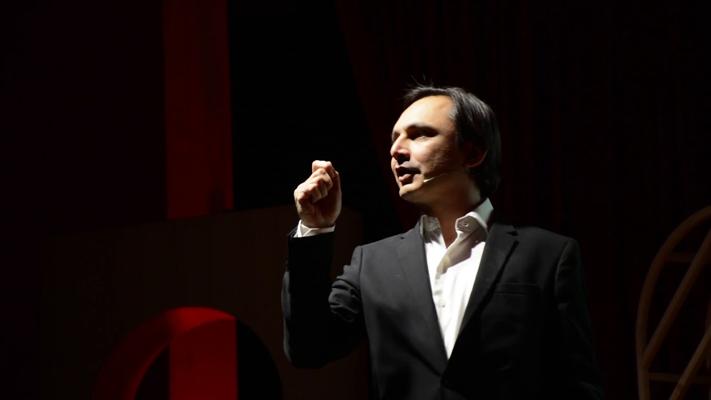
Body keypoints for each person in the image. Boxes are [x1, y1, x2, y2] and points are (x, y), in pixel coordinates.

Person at [282, 85, 604, 399]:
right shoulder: (372, 262)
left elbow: (578, 384)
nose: (396, 150)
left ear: (473, 153)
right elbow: (309, 348)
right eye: (394, 138)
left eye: (420, 134)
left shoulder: (548, 255)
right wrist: (315, 228)